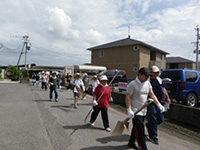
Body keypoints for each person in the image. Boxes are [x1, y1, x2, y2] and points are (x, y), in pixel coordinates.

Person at [125, 67, 165, 150]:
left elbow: (151, 94)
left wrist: (158, 104)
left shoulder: (147, 83)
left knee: (137, 127)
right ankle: (143, 147)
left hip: (143, 110)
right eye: (145, 76)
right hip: (135, 111)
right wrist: (129, 109)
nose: (147, 77)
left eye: (148, 76)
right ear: (139, 74)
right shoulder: (132, 84)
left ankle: (131, 142)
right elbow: (128, 97)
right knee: (140, 129)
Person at [146, 65, 171, 145]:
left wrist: (167, 97)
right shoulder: (148, 81)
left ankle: (149, 126)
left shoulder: (159, 80)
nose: (156, 74)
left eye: (157, 72)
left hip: (159, 102)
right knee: (153, 118)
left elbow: (163, 89)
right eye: (155, 72)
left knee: (161, 119)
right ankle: (154, 136)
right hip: (150, 102)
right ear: (151, 73)